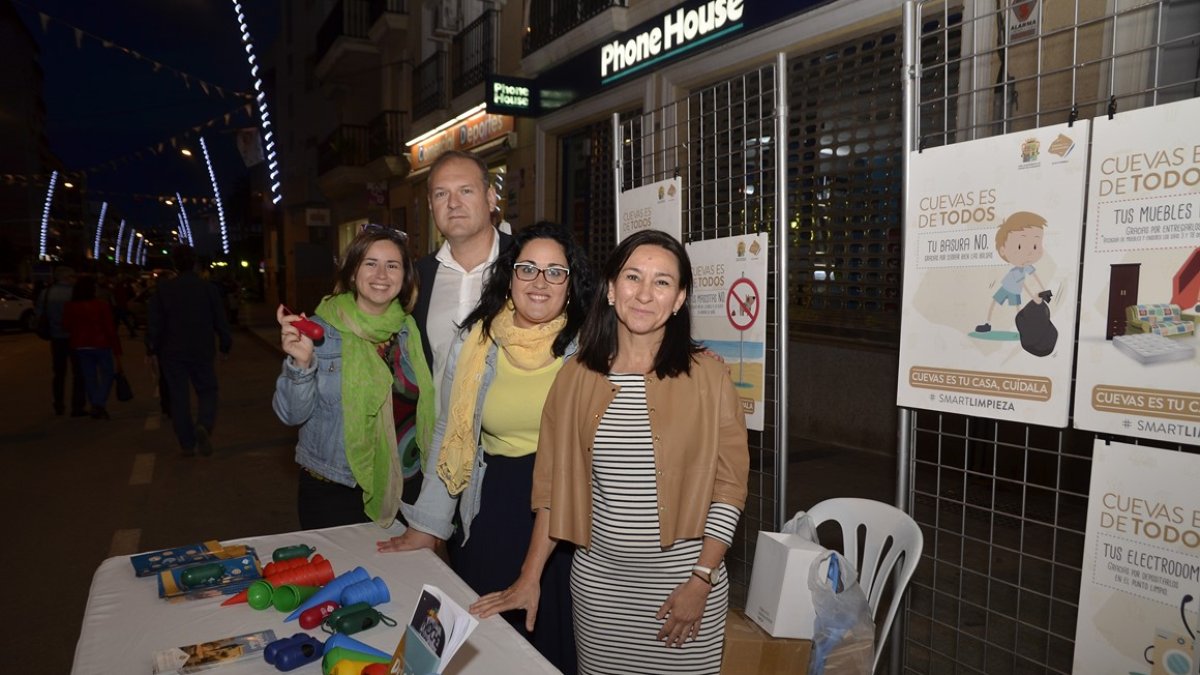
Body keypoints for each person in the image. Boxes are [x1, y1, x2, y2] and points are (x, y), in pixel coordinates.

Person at [471, 229, 750, 675]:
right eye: (633, 277)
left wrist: (701, 580)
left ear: (679, 299)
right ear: (611, 289)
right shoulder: (576, 377)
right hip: (600, 592)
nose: (644, 293)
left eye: (662, 282)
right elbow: (553, 490)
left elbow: (729, 490)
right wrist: (529, 577)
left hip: (682, 585)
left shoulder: (709, 379)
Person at [378, 222, 595, 674]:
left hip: (565, 507)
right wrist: (431, 525)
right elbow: (451, 433)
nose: (540, 281)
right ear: (509, 277)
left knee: (548, 636)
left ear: (571, 285)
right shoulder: (476, 340)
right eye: (528, 268)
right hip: (490, 495)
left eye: (556, 272)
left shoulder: (588, 347)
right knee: (485, 634)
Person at [273, 225, 436, 530]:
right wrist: (302, 362)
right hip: (335, 491)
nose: (381, 275)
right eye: (370, 263)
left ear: (405, 278)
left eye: (392, 265)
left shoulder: (409, 333)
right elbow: (292, 415)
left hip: (405, 484)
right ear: (352, 273)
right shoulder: (320, 333)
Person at [411, 150, 513, 395]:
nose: (453, 203)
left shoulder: (526, 263)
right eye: (441, 194)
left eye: (465, 191)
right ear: (430, 205)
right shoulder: (417, 277)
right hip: (437, 430)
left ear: (490, 198)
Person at [146, 245, 233, 457]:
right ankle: (203, 423)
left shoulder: (164, 290)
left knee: (178, 396)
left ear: (175, 264)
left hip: (172, 351)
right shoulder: (208, 289)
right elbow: (220, 320)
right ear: (194, 263)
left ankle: (186, 442)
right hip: (201, 348)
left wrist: (151, 350)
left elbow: (155, 323)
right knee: (207, 390)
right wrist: (224, 345)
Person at [61, 275, 122, 420]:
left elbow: (66, 325)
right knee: (107, 374)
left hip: (81, 345)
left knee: (90, 376)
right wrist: (117, 349)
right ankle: (98, 403)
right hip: (101, 344)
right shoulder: (101, 305)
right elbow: (109, 328)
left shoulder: (70, 306)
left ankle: (96, 402)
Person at [37, 265, 87, 416]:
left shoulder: (46, 293)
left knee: (59, 373)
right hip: (74, 336)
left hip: (55, 337)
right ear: (67, 278)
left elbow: (39, 313)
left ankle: (59, 404)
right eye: (73, 276)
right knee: (78, 373)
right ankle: (77, 406)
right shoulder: (74, 293)